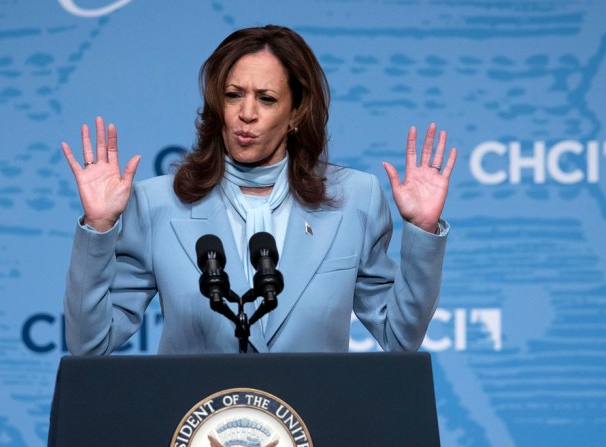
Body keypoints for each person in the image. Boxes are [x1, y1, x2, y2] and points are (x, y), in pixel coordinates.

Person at [61, 25, 456, 355]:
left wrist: (422, 232)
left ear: (296, 112)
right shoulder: (158, 205)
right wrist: (98, 228)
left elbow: (400, 338)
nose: (246, 114)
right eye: (233, 95)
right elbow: (89, 344)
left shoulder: (356, 199)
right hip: (199, 436)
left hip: (313, 436)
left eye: (266, 99)